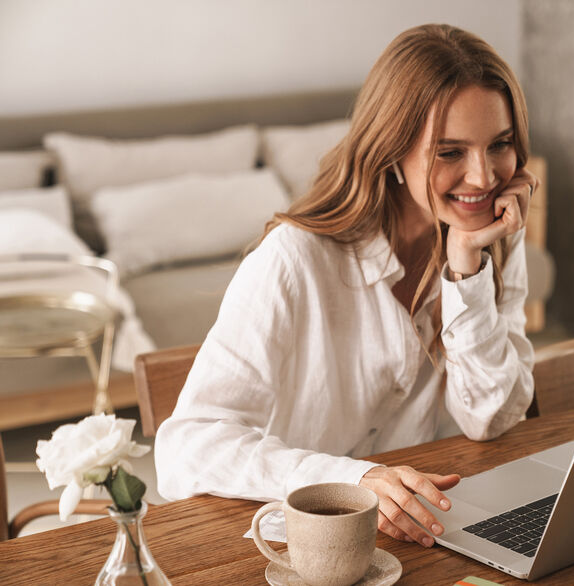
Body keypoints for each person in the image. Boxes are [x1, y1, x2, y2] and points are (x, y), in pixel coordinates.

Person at [155, 23, 538, 549]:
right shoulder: (295, 260)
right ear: (391, 149)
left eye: (500, 145)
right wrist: (354, 479)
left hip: (422, 536)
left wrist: (466, 272)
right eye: (450, 152)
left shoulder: (490, 241)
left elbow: (490, 419)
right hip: (293, 551)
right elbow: (186, 448)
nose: (483, 177)